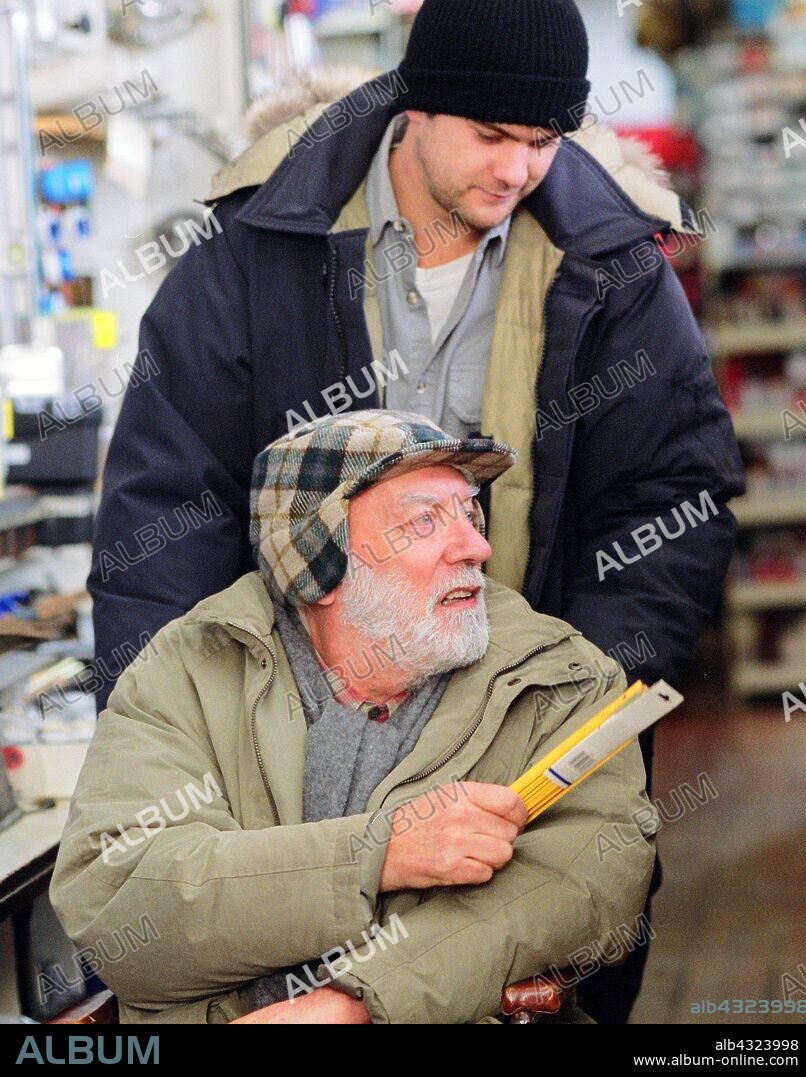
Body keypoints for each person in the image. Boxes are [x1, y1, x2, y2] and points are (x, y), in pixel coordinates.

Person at [88, 0, 744, 1020]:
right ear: (416, 110)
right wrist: (163, 724)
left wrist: (576, 691)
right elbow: (168, 501)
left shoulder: (613, 261)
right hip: (294, 732)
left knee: (528, 965)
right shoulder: (261, 246)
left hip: (522, 736)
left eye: (544, 141)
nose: (519, 170)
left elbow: (677, 492)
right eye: (491, 136)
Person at [51, 412, 656, 1024]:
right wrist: (376, 854)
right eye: (425, 521)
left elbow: (591, 881)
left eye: (469, 513)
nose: (478, 546)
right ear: (320, 566)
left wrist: (357, 1004)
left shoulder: (556, 674)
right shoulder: (187, 671)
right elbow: (117, 906)